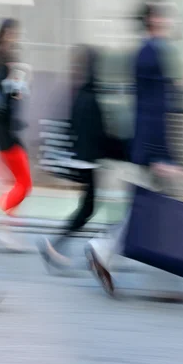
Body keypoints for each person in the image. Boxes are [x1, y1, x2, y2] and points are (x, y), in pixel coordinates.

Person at [85, 1, 183, 296]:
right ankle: (103, 249)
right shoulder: (151, 53)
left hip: (149, 144)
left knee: (147, 208)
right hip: (151, 146)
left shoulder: (150, 51)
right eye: (160, 16)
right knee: (146, 209)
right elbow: (152, 108)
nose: (165, 20)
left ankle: (107, 252)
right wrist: (161, 154)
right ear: (151, 20)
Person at [38, 45, 128, 270]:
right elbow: (96, 132)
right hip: (87, 161)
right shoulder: (89, 94)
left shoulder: (81, 91)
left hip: (86, 159)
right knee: (89, 208)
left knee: (90, 207)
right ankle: (63, 246)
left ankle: (69, 246)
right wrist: (119, 151)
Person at [0, 18, 33, 252]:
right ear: (3, 35)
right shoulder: (1, 63)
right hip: (5, 131)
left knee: (17, 182)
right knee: (25, 184)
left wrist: (15, 91)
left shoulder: (2, 61)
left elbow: (6, 96)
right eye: (11, 34)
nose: (14, 38)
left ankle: (6, 230)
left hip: (7, 129)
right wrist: (11, 85)